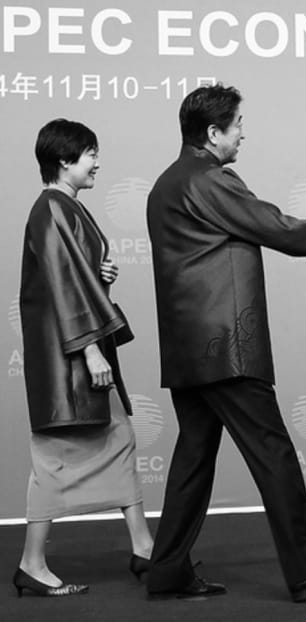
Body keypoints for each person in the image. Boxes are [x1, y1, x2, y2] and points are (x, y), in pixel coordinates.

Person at [145, 84, 306, 602]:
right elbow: (275, 226)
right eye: (236, 125)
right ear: (213, 133)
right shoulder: (211, 179)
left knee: (192, 463)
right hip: (228, 348)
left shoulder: (165, 184)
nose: (243, 133)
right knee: (272, 452)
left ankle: (166, 572)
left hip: (188, 352)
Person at [14, 119, 154, 597]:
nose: (97, 163)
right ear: (64, 160)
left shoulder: (65, 208)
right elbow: (62, 286)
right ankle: (32, 563)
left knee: (119, 440)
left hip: (77, 349)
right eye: (90, 154)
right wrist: (91, 349)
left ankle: (144, 547)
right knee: (54, 459)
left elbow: (80, 277)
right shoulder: (50, 209)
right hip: (70, 355)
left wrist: (103, 276)